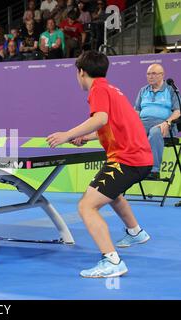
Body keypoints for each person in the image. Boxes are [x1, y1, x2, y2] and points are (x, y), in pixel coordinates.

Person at [47, 51, 153, 278]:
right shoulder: (113, 89)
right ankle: (135, 232)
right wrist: (87, 137)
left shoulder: (98, 89)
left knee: (87, 206)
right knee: (111, 193)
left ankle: (112, 261)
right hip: (137, 157)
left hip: (128, 159)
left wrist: (67, 134)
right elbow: (112, 124)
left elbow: (100, 119)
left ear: (81, 72)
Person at [134, 64, 180, 180]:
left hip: (164, 124)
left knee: (154, 132)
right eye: (148, 74)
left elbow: (178, 112)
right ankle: (132, 167)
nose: (150, 76)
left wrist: (167, 122)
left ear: (162, 75)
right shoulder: (143, 90)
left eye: (154, 73)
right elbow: (137, 110)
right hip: (143, 122)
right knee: (131, 131)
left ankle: (154, 170)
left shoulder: (170, 90)